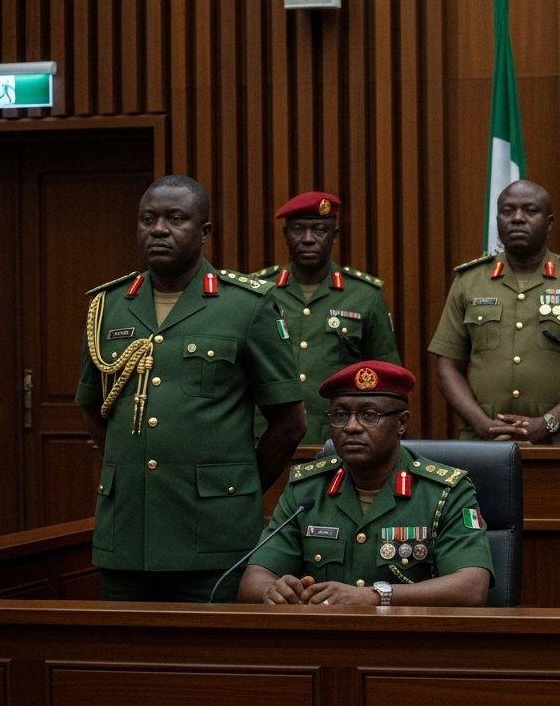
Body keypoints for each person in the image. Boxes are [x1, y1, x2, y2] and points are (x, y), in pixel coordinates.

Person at [76, 175, 306, 602]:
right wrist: (132, 466)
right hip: (128, 532)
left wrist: (236, 485)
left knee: (212, 662)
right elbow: (93, 406)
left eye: (174, 218)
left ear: (204, 233)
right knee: (126, 659)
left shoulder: (246, 306)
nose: (158, 229)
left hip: (213, 533)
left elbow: (289, 422)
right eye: (148, 219)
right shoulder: (108, 306)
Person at [239, 361, 493, 606]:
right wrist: (272, 590)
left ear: (401, 423)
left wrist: (376, 596)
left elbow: (472, 588)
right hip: (325, 642)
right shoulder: (307, 490)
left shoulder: (446, 491)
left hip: (410, 642)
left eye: (369, 415)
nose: (351, 427)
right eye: (339, 415)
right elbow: (253, 581)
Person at [429, 180, 560, 445]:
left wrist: (549, 423)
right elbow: (447, 369)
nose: (518, 218)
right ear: (497, 220)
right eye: (508, 211)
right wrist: (482, 424)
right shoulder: (469, 280)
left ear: (549, 223)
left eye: (530, 211)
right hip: (484, 443)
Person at [251, 191, 401, 444]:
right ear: (286, 236)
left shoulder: (364, 295)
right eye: (298, 230)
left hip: (337, 437)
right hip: (267, 435)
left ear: (334, 236)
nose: (308, 239)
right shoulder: (259, 291)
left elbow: (387, 375)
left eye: (319, 230)